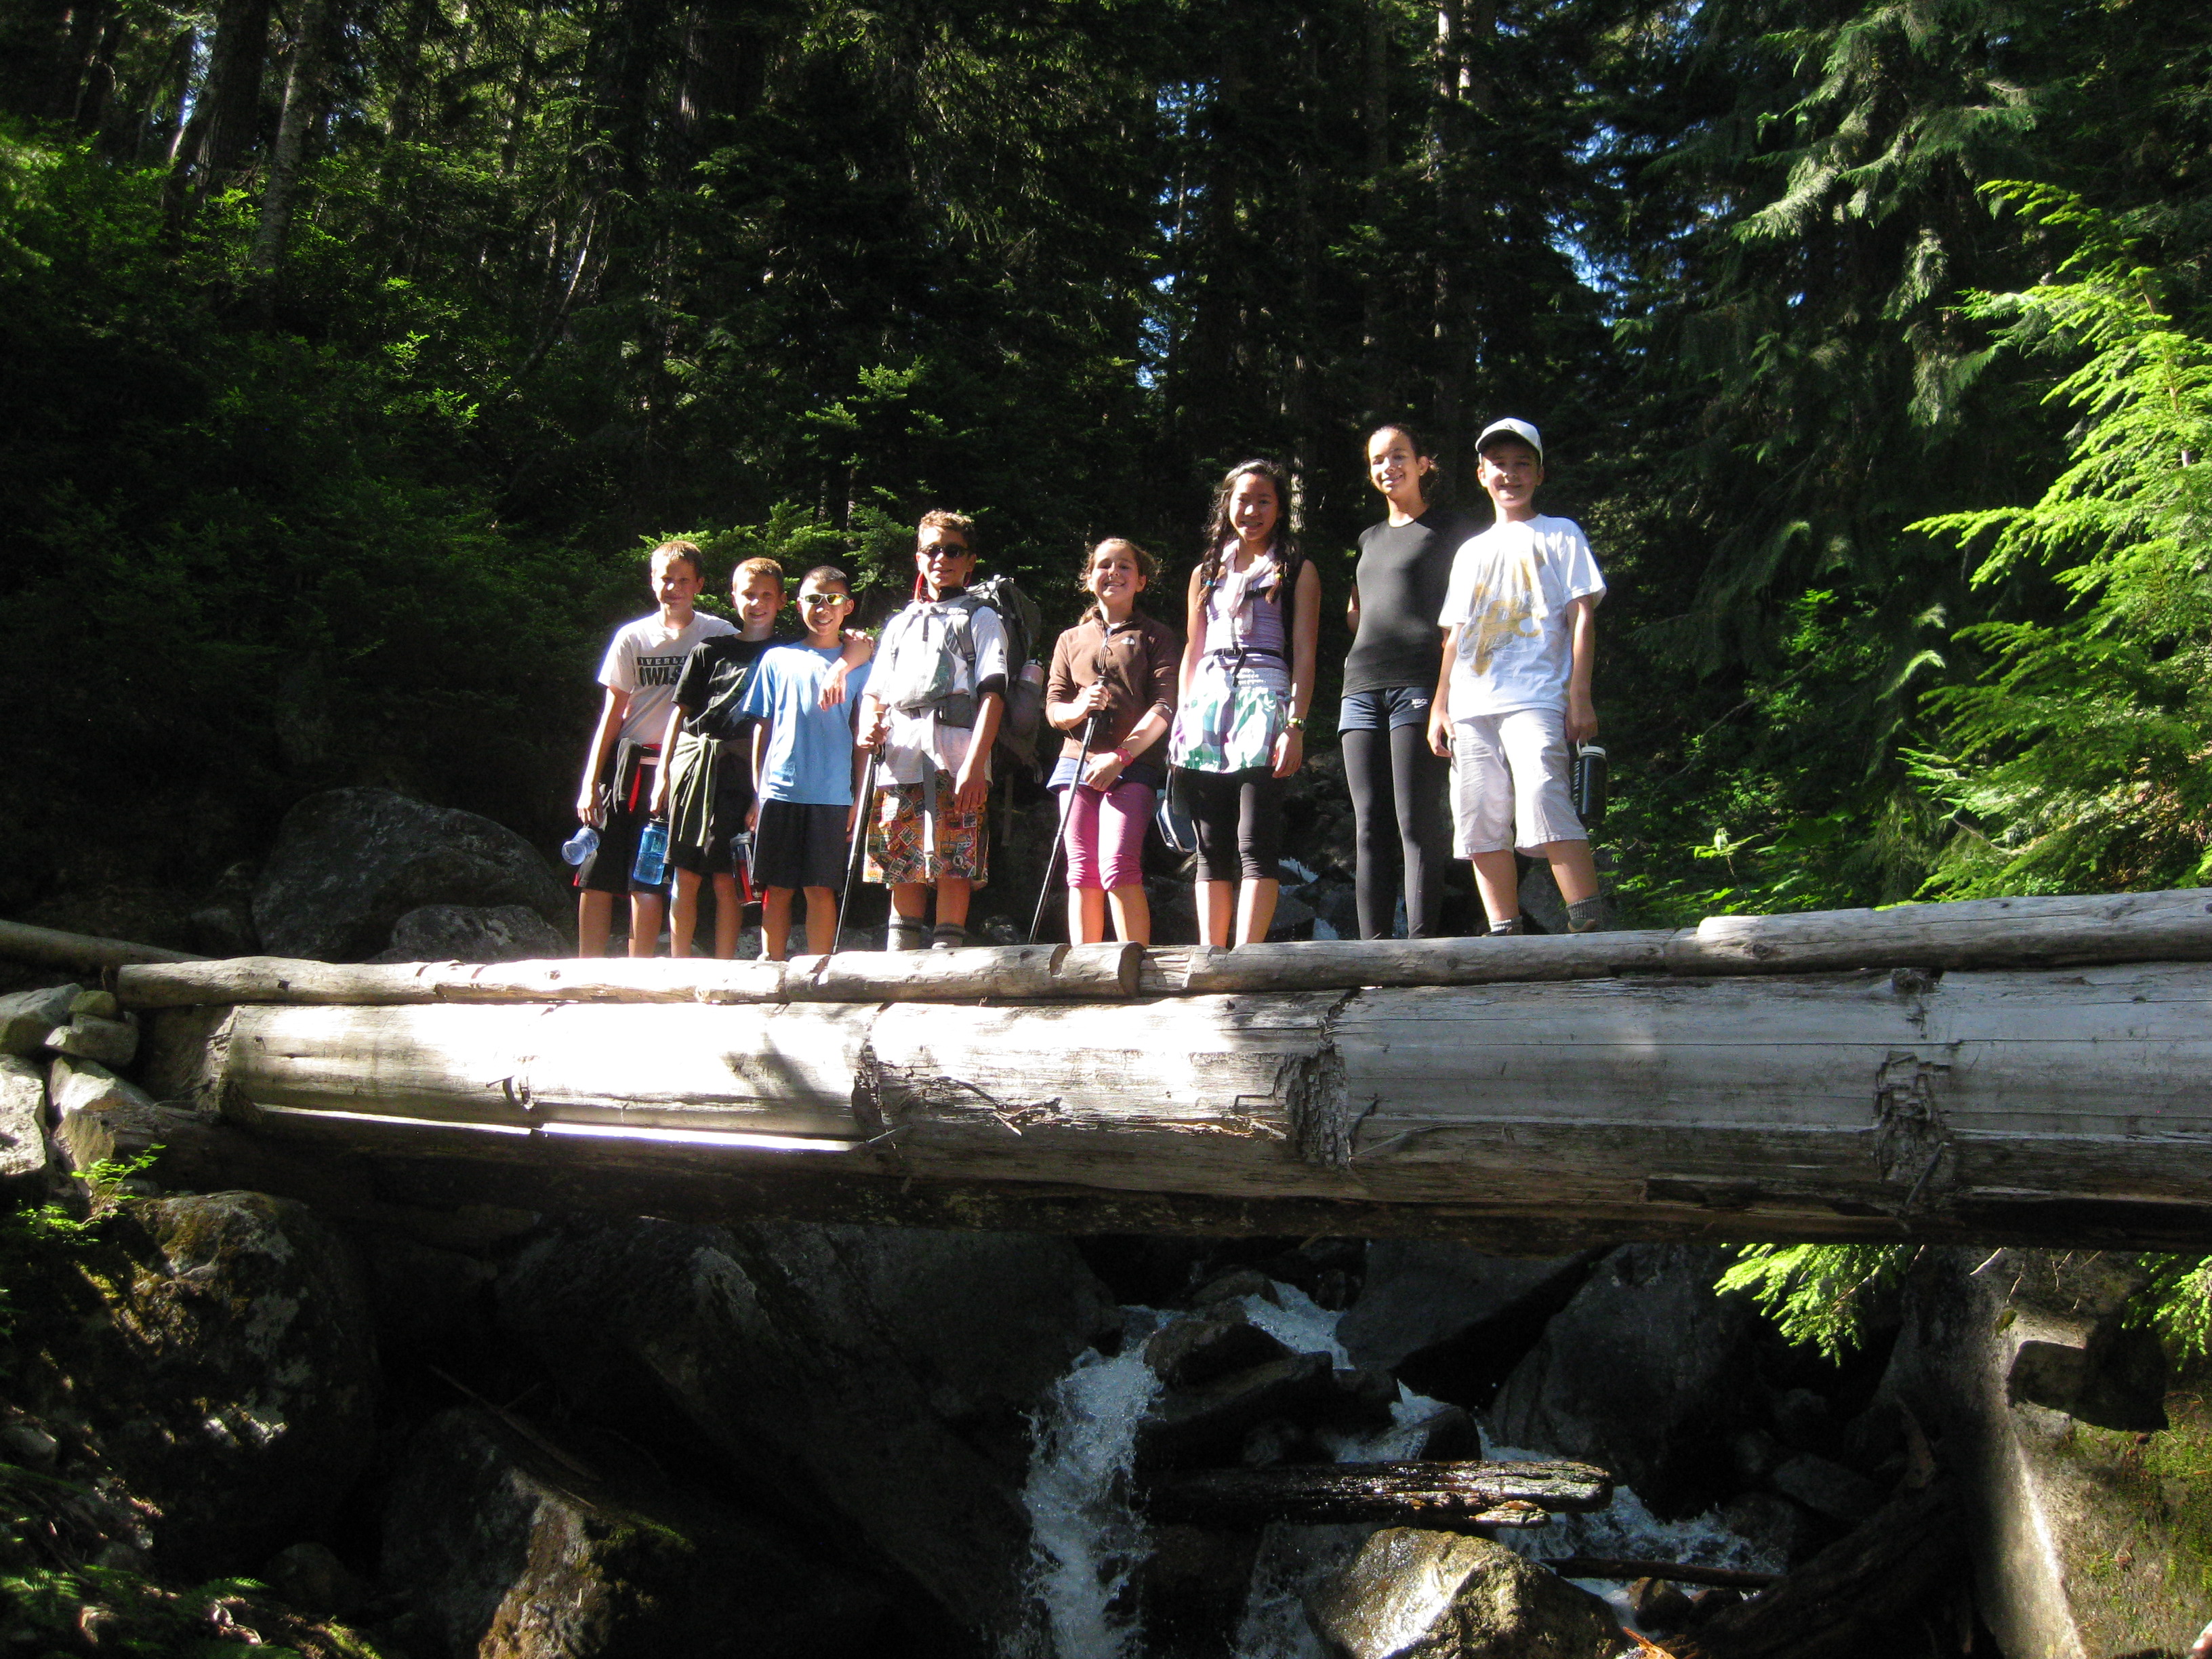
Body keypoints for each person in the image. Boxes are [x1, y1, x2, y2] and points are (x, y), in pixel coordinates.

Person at [1425, 417, 1608, 935]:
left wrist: (1581, 695)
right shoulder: (1469, 552)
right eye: (1499, 465)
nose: (1510, 475)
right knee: (1479, 817)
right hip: (1470, 704)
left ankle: (1589, 929)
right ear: (1482, 475)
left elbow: (1583, 615)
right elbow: (1455, 636)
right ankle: (1506, 935)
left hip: (1537, 696)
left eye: (1522, 464)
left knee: (1545, 799)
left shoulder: (1561, 533)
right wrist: (1440, 706)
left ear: (1540, 474)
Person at [1168, 459, 1322, 947]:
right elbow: (1193, 648)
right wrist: (1181, 716)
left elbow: (1304, 652)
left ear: (1279, 509)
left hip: (1266, 699)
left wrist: (1296, 724)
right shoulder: (1206, 571)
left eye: (1264, 500)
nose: (1251, 510)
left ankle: (1248, 956)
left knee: (1256, 838)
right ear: (1226, 505)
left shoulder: (1297, 568)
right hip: (1208, 703)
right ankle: (1212, 956)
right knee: (1210, 842)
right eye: (1243, 499)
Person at [1340, 424, 1475, 939]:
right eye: (1378, 460)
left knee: (1415, 822)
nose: (1387, 467)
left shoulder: (1452, 531)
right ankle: (1370, 955)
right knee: (1368, 826)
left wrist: (1445, 693)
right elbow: (1363, 612)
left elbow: (1461, 618)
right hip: (1360, 687)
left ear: (1423, 464)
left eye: (1398, 456)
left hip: (1418, 684)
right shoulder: (1368, 539)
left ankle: (1420, 951)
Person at [571, 539, 734, 958]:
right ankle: (587, 970)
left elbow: (760, 649)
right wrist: (590, 782)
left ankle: (638, 972)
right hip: (628, 767)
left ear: (698, 584)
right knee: (597, 871)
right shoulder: (633, 637)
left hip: (682, 773)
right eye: (665, 578)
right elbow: (612, 712)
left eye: (683, 580)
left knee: (649, 872)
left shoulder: (716, 634)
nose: (673, 588)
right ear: (652, 581)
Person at [855, 511, 1007, 951]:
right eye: (932, 549)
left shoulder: (982, 618)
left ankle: (947, 961)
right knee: (901, 865)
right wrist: (869, 725)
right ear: (919, 557)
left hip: (959, 759)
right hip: (900, 760)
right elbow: (875, 692)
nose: (942, 558)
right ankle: (900, 962)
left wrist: (977, 765)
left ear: (970, 560)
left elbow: (993, 694)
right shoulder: (900, 623)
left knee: (954, 866)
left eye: (953, 550)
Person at [1044, 539, 1180, 944]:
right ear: (1089, 579)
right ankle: (1087, 971)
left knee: (1118, 866)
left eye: (1125, 566)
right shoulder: (1071, 639)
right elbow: (1053, 710)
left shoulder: (1156, 636)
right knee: (1081, 871)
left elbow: (1165, 707)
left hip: (1133, 764)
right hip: (1076, 761)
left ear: (1141, 580)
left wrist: (1121, 756)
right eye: (1104, 565)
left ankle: (1132, 963)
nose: (1114, 573)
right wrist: (1081, 706)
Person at [648, 556, 783, 960]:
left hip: (747, 773)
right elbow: (680, 713)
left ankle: (725, 967)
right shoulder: (710, 650)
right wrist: (663, 776)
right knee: (685, 873)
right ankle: (679, 965)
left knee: (728, 877)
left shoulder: (787, 654)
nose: (756, 603)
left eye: (766, 595)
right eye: (747, 594)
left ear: (781, 601)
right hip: (696, 768)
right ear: (732, 597)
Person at [741, 567, 873, 960]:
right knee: (776, 888)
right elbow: (761, 731)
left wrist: (857, 799)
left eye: (833, 599)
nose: (823, 608)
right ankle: (772, 969)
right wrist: (758, 793)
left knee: (820, 889)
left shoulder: (863, 666)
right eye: (814, 598)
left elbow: (862, 739)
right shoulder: (777, 659)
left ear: (847, 606)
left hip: (832, 795)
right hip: (780, 792)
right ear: (798, 605)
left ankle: (819, 972)